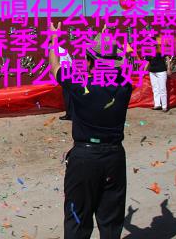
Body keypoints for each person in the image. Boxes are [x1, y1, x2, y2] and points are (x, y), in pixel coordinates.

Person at [49, 22, 133, 239]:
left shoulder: (80, 84)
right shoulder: (124, 86)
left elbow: (55, 66)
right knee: (111, 220)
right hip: (114, 157)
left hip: (85, 159)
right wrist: (106, 42)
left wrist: (54, 39)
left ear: (89, 61)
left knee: (77, 219)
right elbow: (125, 65)